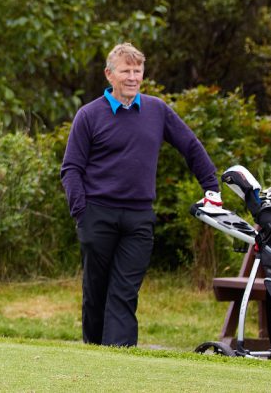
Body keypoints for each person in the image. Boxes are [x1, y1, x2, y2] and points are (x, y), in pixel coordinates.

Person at [60, 42, 221, 347]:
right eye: (126, 70)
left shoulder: (157, 110)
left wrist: (210, 185)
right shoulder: (89, 115)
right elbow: (71, 169)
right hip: (98, 215)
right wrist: (81, 213)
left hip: (138, 218)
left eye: (138, 70)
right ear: (110, 75)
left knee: (123, 291)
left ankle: (119, 359)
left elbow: (189, 145)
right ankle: (93, 353)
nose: (133, 77)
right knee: (96, 291)